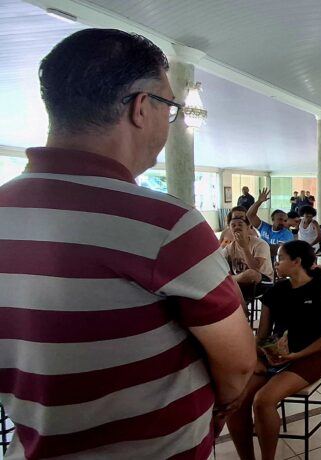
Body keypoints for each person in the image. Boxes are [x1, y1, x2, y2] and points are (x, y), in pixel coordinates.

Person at [0, 28, 255, 459]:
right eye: (169, 107)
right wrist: (221, 406)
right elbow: (239, 363)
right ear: (141, 107)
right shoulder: (165, 224)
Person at [227, 240, 321, 460]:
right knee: (236, 402)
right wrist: (264, 354)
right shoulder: (276, 291)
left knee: (263, 401)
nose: (276, 263)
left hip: (309, 358)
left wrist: (297, 355)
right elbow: (262, 335)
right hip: (276, 356)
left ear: (297, 261)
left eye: (280, 258)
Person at [222, 215, 274, 293]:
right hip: (239, 283)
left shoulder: (260, 244)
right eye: (233, 225)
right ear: (230, 229)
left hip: (262, 282)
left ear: (248, 227)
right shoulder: (228, 248)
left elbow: (255, 269)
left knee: (251, 274)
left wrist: (244, 247)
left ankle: (229, 281)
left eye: (240, 225)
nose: (237, 227)